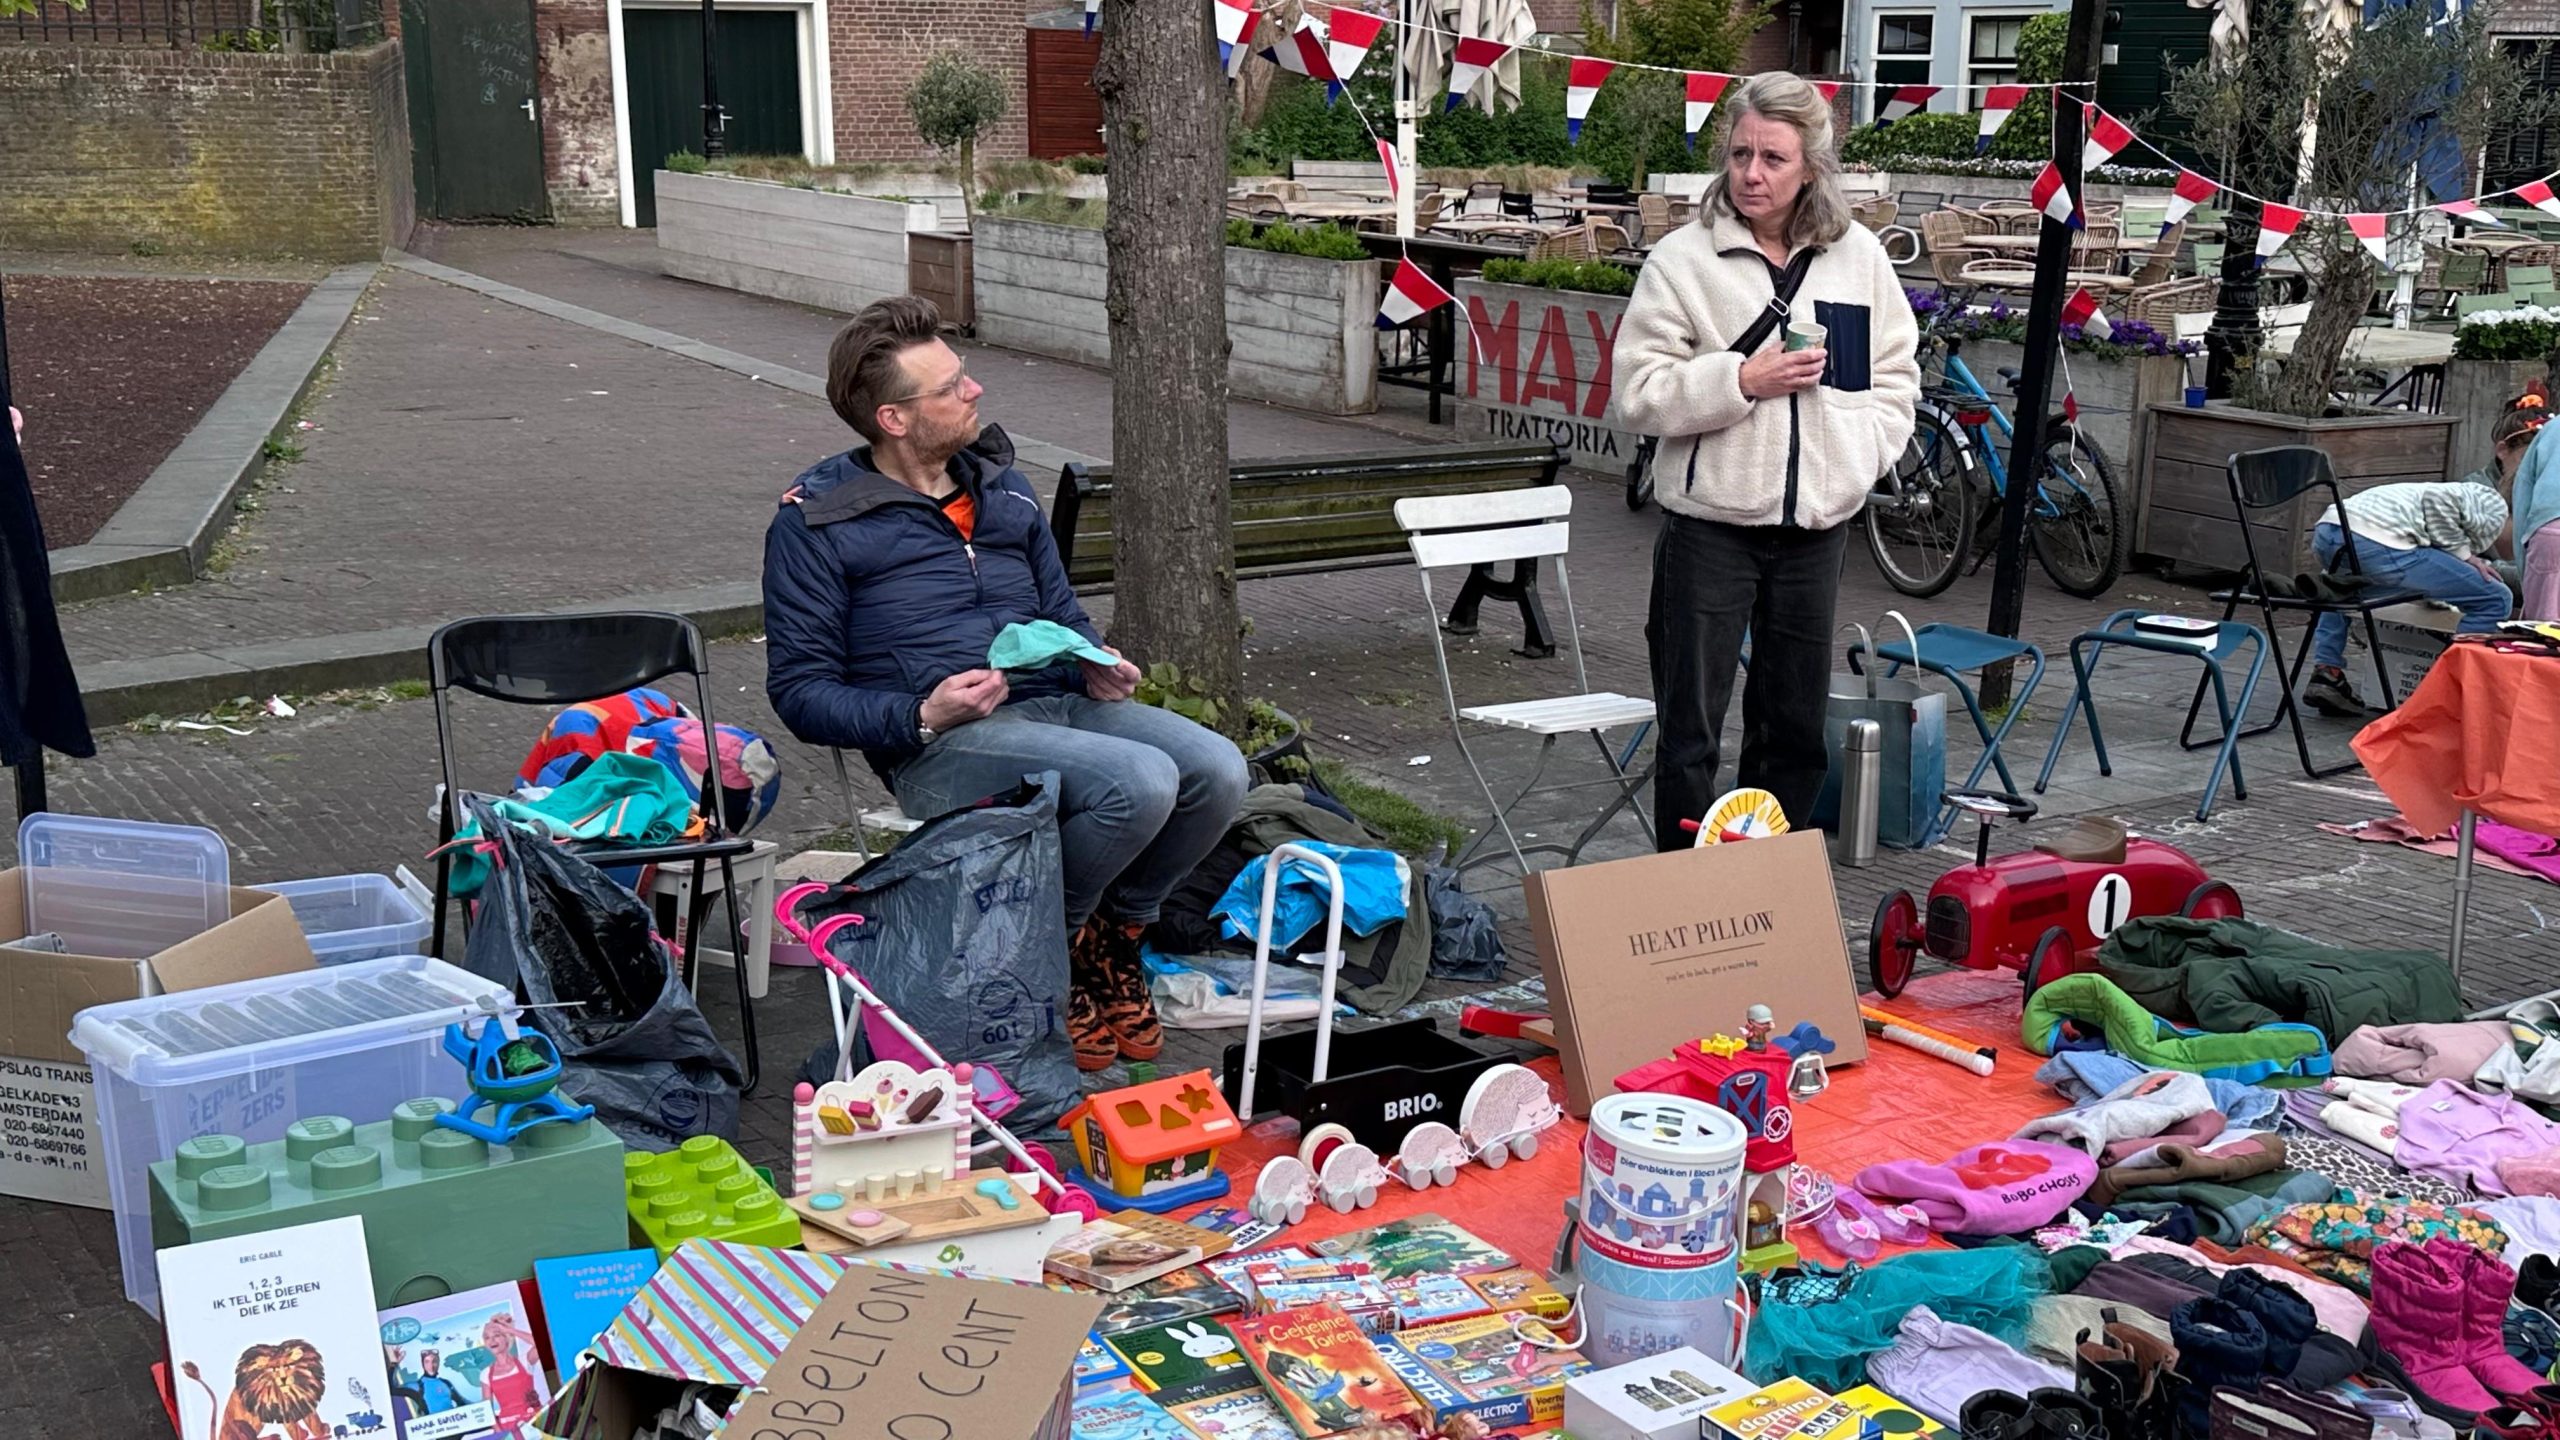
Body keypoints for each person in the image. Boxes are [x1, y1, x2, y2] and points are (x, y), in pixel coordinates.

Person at [763, 295, 1248, 1072]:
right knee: (1139, 781)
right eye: (950, 386)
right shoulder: (818, 523)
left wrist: (1093, 657)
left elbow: (1059, 609)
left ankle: (1111, 940)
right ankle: (1052, 949)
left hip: (1058, 703)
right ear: (894, 418)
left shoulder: (1003, 486)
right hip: (944, 744)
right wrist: (922, 714)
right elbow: (799, 692)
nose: (974, 390)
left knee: (1219, 770)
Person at [1612, 72, 1920, 841]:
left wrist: (1856, 463)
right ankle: (1685, 882)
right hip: (1710, 530)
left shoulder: (1859, 257)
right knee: (1690, 732)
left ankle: (1768, 886)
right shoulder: (1682, 261)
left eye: (1774, 158)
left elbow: (1895, 377)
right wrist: (1739, 381)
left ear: (1810, 167)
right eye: (1741, 154)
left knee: (1793, 732)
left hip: (1816, 533)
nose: (1752, 173)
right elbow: (1638, 395)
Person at [2300, 391, 2543, 714]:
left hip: (2333, 529)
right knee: (2494, 597)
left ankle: (2327, 671)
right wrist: (2464, 556)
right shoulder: (2487, 495)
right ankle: (2448, 689)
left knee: (2340, 589)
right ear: (2503, 450)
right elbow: (2447, 520)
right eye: (2532, 458)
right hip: (2378, 539)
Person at [2503, 384, 2560, 621]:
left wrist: (2524, 566)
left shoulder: (2552, 429)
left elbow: (2523, 496)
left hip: (2548, 529)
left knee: (2543, 630)